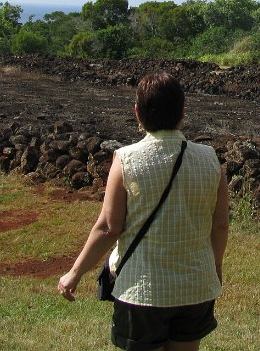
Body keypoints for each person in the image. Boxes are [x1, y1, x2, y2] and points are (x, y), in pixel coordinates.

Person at [58, 71, 230, 351]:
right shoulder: (209, 158)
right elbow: (220, 224)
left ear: (137, 112)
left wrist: (74, 273)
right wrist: (216, 267)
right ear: (182, 111)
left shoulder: (126, 159)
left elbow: (108, 228)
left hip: (143, 290)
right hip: (197, 285)